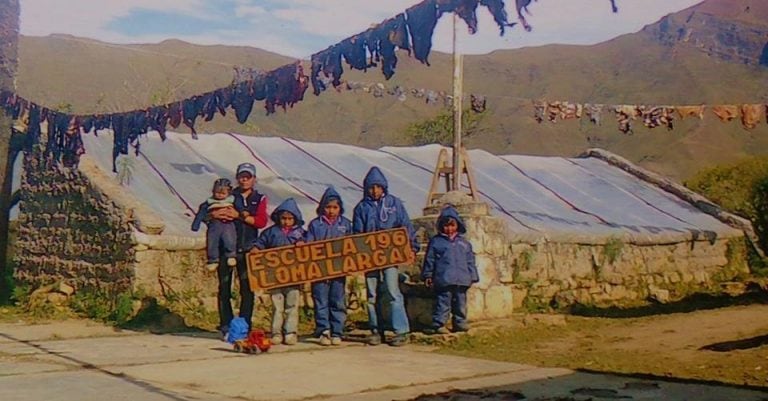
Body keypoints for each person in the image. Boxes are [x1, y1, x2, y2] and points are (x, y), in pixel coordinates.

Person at [353, 166, 419, 347]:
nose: (375, 191)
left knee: (392, 291)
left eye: (378, 187)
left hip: (391, 256)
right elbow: (357, 234)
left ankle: (401, 330)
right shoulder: (361, 208)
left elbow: (405, 226)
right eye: (371, 187)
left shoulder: (394, 204)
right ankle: (376, 330)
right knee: (372, 294)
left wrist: (412, 247)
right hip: (370, 258)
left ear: (384, 187)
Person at [208, 162, 268, 339]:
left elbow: (261, 222)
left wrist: (240, 216)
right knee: (224, 287)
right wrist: (213, 215)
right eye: (242, 176)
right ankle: (226, 324)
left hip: (247, 248)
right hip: (225, 250)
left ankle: (244, 324)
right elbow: (207, 211)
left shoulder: (259, 198)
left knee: (246, 289)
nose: (244, 180)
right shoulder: (226, 193)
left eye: (248, 177)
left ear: (254, 179)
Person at [253, 198, 306, 346]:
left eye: (290, 218)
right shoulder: (271, 232)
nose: (286, 221)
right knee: (277, 306)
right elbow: (261, 242)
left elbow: (309, 247)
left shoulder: (300, 233)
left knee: (292, 304)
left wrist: (303, 243)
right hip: (275, 276)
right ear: (278, 217)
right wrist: (257, 248)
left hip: (294, 275)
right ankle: (276, 332)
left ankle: (290, 332)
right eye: (284, 218)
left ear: (295, 219)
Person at [305, 187, 352, 346]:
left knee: (338, 300)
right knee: (320, 300)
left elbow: (352, 244)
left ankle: (337, 330)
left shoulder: (345, 224)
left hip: (339, 270)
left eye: (335, 207)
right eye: (328, 207)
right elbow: (308, 245)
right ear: (322, 207)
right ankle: (324, 330)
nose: (331, 211)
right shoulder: (315, 224)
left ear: (340, 208)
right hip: (319, 270)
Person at [421, 206, 478, 334]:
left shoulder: (464, 243)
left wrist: (473, 276)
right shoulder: (436, 242)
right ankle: (439, 323)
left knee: (460, 303)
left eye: (452, 225)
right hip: (443, 279)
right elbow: (430, 260)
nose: (449, 229)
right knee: (443, 303)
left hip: (461, 279)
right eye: (446, 226)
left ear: (458, 225)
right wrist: (428, 275)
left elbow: (470, 261)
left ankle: (460, 322)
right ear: (441, 227)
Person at [191, 178, 238, 272]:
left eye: (223, 193)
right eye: (217, 192)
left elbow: (240, 211)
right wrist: (195, 225)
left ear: (229, 193)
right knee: (212, 240)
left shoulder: (232, 201)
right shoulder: (209, 202)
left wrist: (240, 214)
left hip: (227, 223)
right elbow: (201, 213)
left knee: (230, 238)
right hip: (215, 224)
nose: (220, 195)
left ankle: (231, 254)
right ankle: (213, 259)